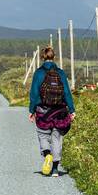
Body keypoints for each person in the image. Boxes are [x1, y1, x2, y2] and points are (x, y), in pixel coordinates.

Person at [28, 45, 75, 176]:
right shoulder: (60, 73)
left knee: (43, 135)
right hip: (60, 111)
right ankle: (55, 169)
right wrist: (71, 110)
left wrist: (32, 110)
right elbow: (66, 92)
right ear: (54, 57)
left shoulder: (38, 73)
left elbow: (34, 93)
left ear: (42, 57)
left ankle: (47, 154)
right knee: (57, 138)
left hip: (43, 111)